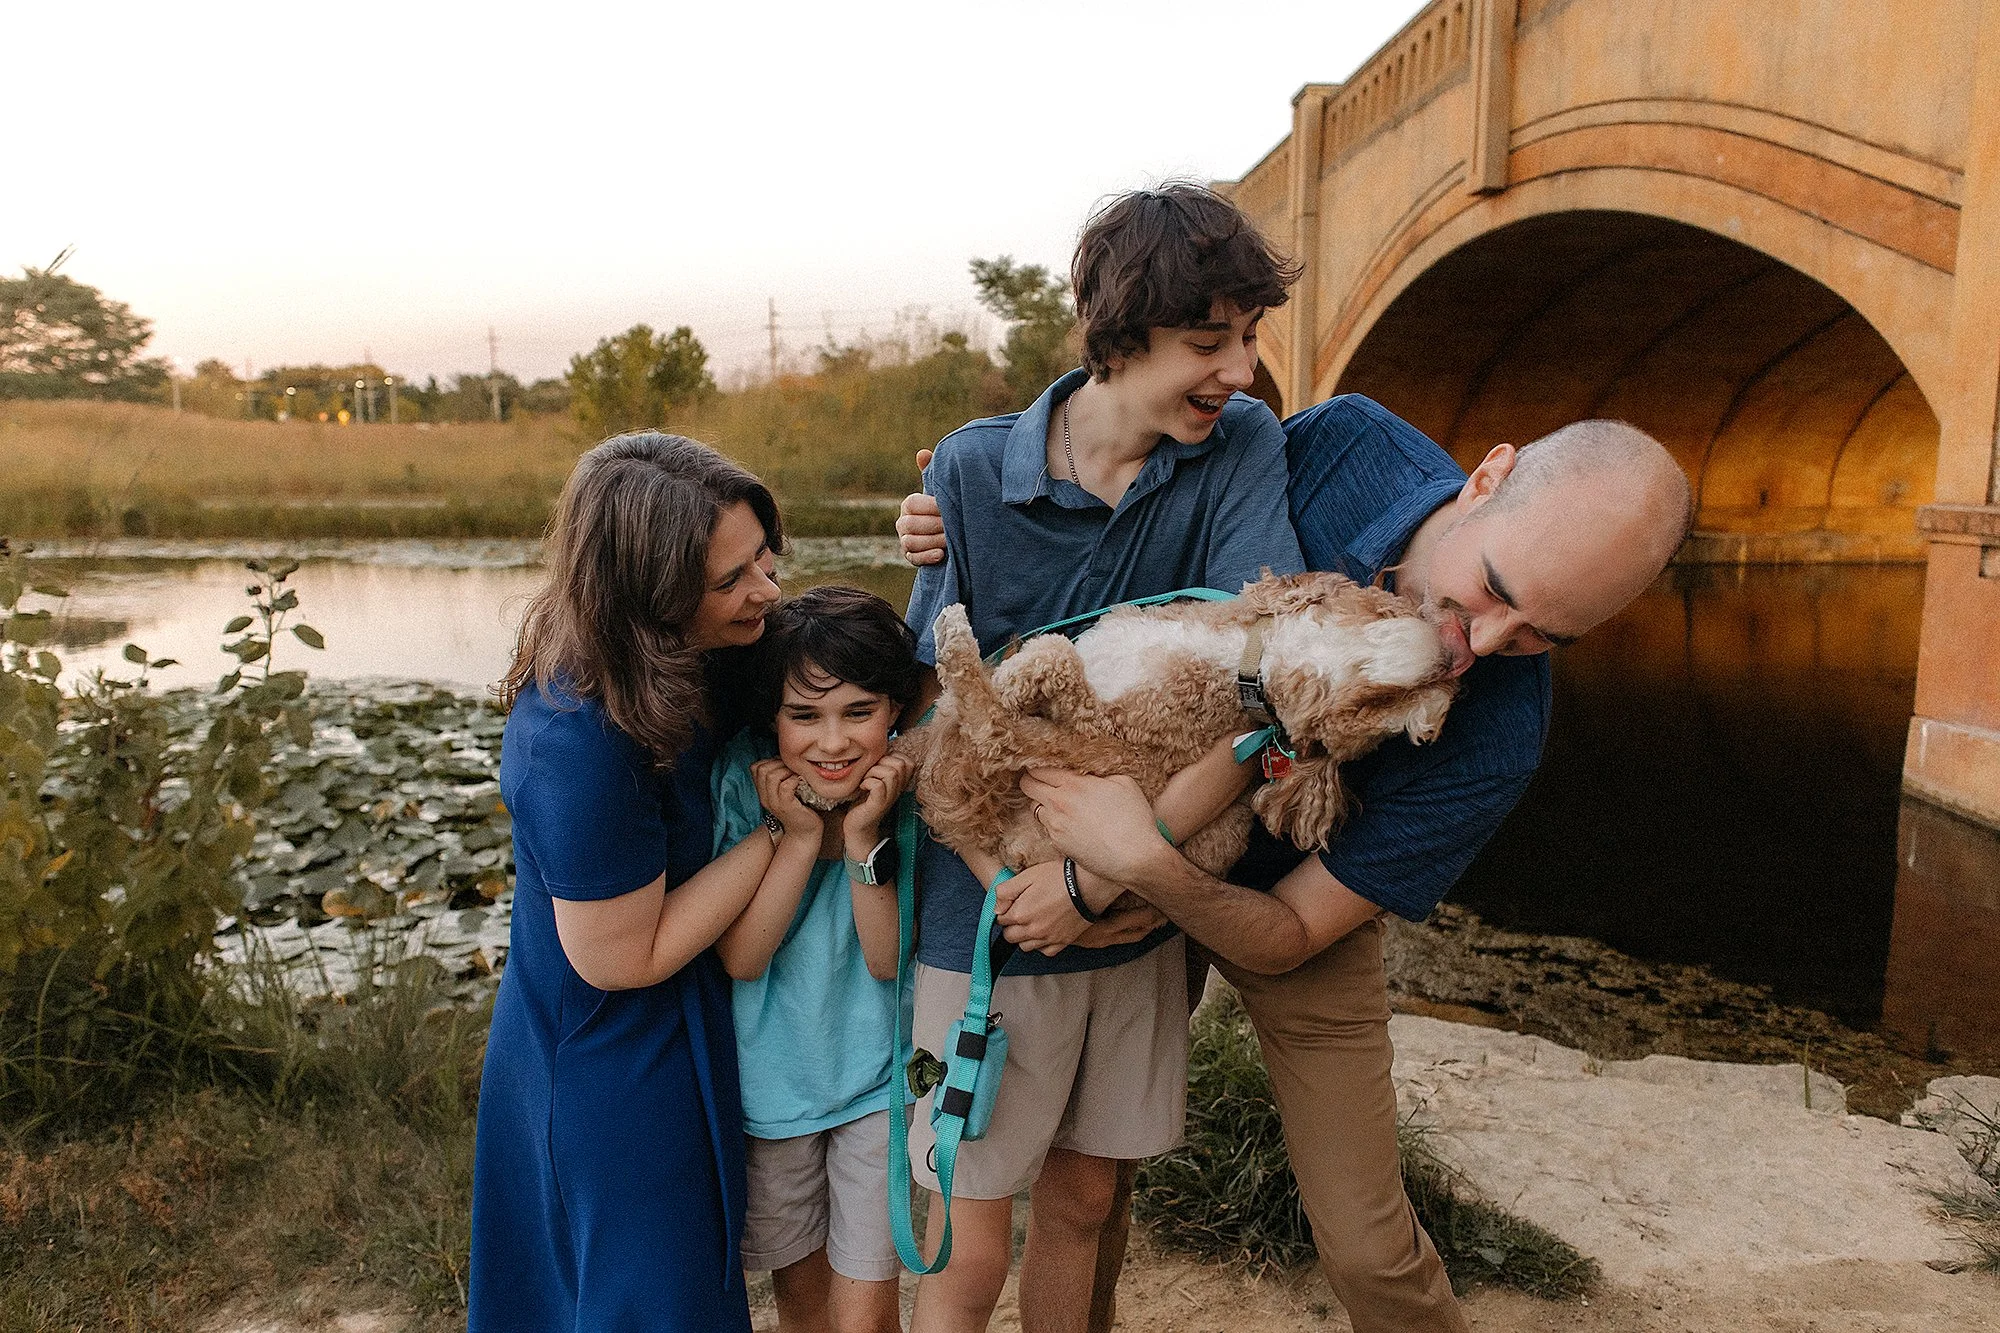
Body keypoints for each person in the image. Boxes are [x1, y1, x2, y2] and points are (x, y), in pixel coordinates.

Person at [897, 397, 1692, 1332]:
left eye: (1538, 637)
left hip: (1270, 900)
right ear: (1487, 479)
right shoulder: (1342, 445)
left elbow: (1295, 934)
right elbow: (1143, 458)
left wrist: (1127, 871)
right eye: (1493, 589)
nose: (1478, 647)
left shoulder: (1500, 737)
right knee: (1095, 1182)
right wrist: (966, 505)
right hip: (1129, 802)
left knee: (1364, 1238)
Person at [901, 181, 1307, 1333]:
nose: (1236, 368)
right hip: (982, 907)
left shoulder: (1239, 450)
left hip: (1139, 893)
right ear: (1118, 334)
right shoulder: (975, 472)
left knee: (1088, 1190)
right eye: (1205, 341)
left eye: (1246, 338)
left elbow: (1255, 673)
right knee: (965, 1221)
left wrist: (1102, 882)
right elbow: (939, 707)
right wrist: (1016, 887)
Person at [470, 432, 788, 1332]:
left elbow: (849, 669)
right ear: (646, 593)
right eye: (730, 580)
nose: (764, 589)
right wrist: (777, 832)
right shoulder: (576, 739)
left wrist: (937, 534)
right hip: (610, 1060)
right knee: (650, 1299)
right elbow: (622, 954)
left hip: (678, 1021)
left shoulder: (690, 653)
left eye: (763, 557)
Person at [711, 586, 920, 1333]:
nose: (832, 742)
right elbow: (742, 957)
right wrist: (798, 836)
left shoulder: (902, 787)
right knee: (805, 1307)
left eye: (857, 713)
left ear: (894, 709)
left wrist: (862, 834)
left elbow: (887, 956)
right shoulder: (741, 779)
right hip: (774, 1093)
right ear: (772, 718)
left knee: (865, 1314)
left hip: (873, 1085)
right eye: (805, 716)